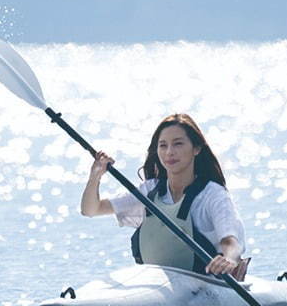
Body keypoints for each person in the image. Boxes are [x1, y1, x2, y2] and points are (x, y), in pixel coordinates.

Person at [80, 113, 248, 278]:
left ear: (196, 148)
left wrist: (228, 259)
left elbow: (230, 242)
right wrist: (95, 176)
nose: (169, 152)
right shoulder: (150, 191)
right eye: (163, 145)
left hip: (205, 285)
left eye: (178, 144)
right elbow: (91, 210)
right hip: (159, 288)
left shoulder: (213, 194)